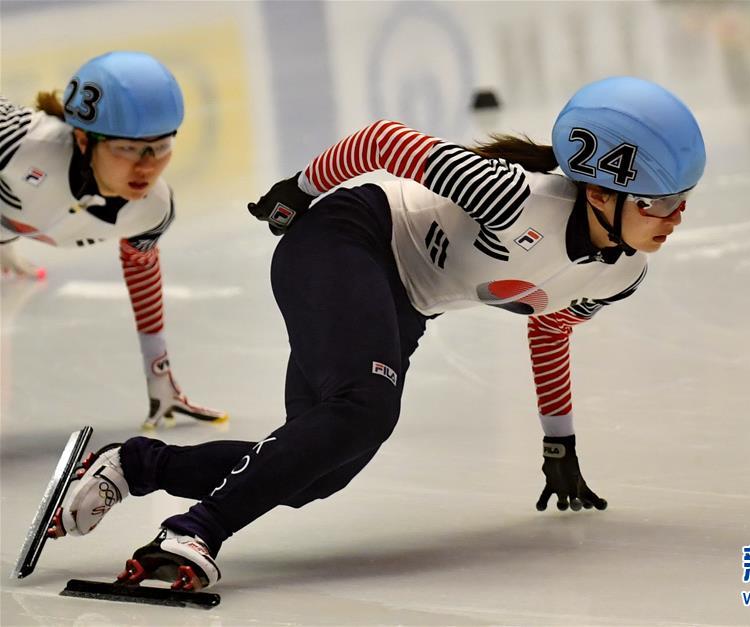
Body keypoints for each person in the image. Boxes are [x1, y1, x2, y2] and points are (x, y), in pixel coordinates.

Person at [49, 76, 706, 591]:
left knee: (315, 472)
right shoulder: (513, 195)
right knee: (365, 408)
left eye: (682, 199)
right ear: (598, 193)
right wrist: (298, 189)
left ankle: (133, 464)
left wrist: (558, 443)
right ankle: (192, 532)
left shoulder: (622, 274)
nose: (673, 218)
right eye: (658, 202)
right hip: (346, 238)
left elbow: (550, 327)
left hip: (402, 301)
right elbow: (385, 141)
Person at [0, 51, 227, 429]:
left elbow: (142, 271)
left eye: (161, 147)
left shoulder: (153, 209)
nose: (146, 166)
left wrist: (160, 380)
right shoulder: (23, 142)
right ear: (83, 140)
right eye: (127, 149)